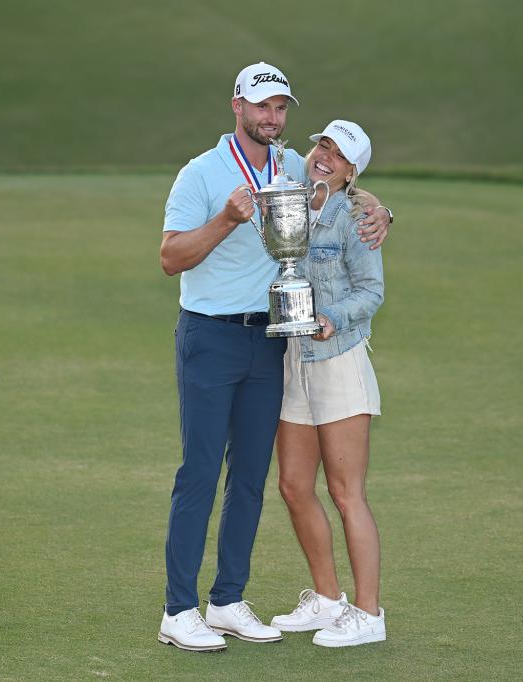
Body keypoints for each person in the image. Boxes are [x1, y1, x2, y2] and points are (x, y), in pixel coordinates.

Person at [157, 63, 392, 653]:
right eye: (262, 106)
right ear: (236, 105)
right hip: (210, 336)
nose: (272, 118)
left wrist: (383, 212)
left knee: (252, 479)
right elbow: (170, 257)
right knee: (200, 473)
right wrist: (226, 219)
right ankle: (179, 610)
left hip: (271, 343)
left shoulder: (291, 164)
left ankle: (228, 599)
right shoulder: (201, 173)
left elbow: (345, 185)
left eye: (281, 108)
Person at [268, 120, 387, 648]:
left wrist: (333, 316)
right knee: (293, 485)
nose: (324, 157)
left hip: (338, 360)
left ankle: (368, 613)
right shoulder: (296, 181)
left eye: (338, 155)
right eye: (323, 145)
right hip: (294, 361)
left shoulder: (356, 218)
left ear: (350, 171)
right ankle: (327, 598)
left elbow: (371, 291)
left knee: (345, 493)